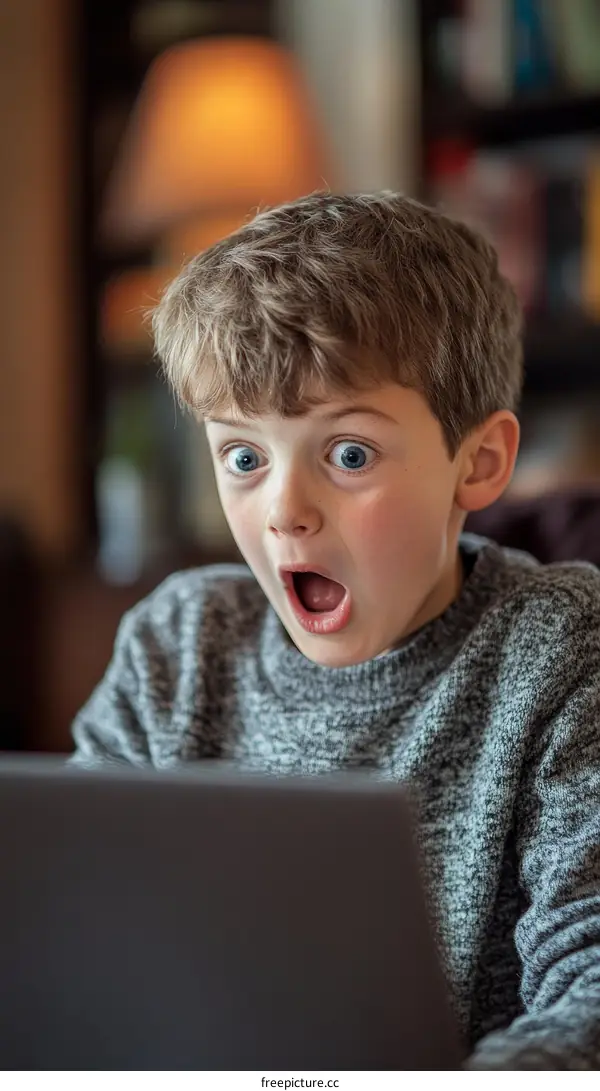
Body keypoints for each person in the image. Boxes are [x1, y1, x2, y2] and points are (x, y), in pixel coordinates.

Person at [71, 192, 600, 1069]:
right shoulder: (177, 644)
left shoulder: (561, 649)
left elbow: (589, 989)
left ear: (480, 461)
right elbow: (79, 936)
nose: (284, 512)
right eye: (244, 456)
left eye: (348, 453)